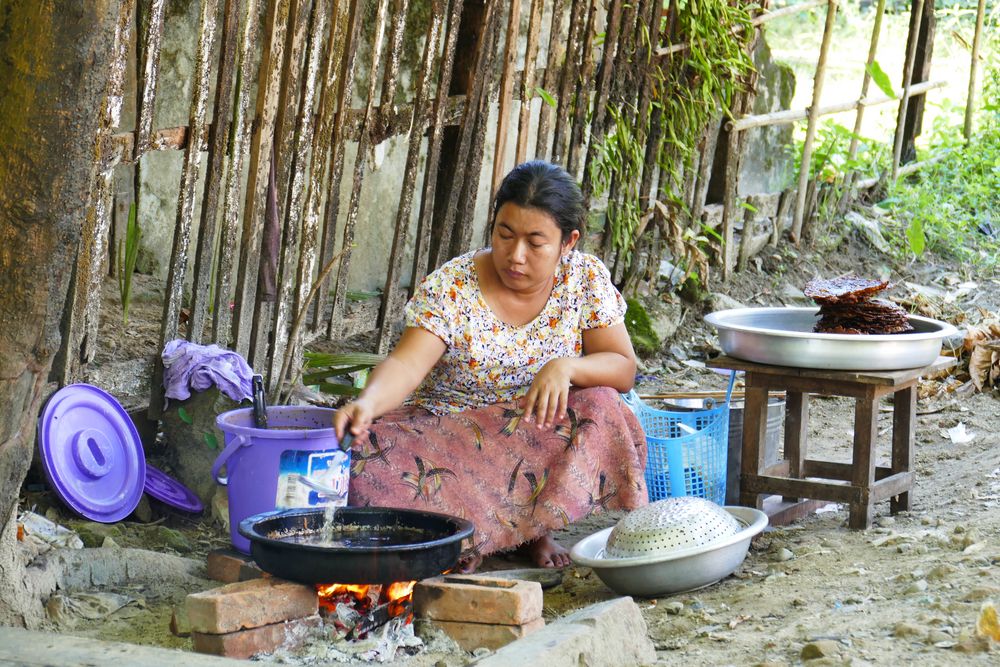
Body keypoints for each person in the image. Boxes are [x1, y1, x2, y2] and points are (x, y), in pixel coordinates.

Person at [333, 160, 648, 570]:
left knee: (602, 407)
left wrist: (566, 367)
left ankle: (534, 532)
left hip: (536, 430)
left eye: (535, 243)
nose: (516, 256)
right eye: (505, 234)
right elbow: (407, 366)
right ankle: (480, 538)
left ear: (568, 242)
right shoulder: (453, 285)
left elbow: (623, 368)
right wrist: (368, 404)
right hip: (451, 434)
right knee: (363, 460)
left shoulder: (584, 280)